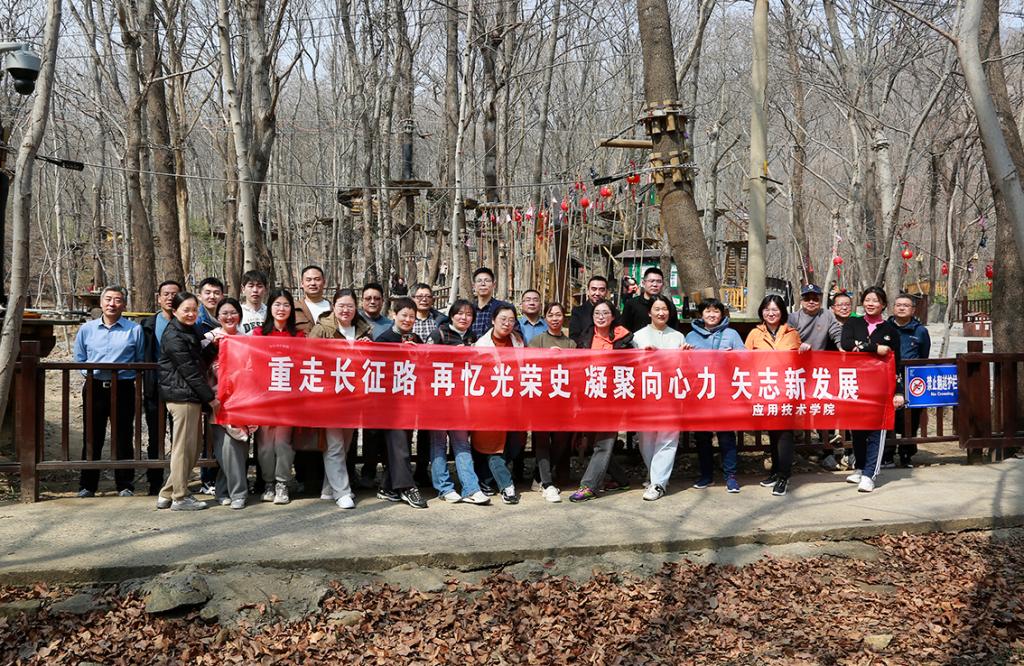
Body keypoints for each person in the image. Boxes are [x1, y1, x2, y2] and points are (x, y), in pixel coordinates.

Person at [74, 286, 146, 498]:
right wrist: (91, 374)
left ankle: (124, 484)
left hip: (123, 387)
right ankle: (87, 485)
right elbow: (79, 359)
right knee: (92, 435)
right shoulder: (87, 329)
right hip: (95, 386)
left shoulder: (134, 330)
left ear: (124, 304)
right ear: (101, 302)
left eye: (117, 300)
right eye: (108, 299)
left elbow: (140, 359)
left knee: (123, 436)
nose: (112, 304)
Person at [308, 289, 372, 509]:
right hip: (330, 395)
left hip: (354, 395)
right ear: (333, 306)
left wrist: (368, 349)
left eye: (350, 306)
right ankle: (342, 491)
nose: (346, 310)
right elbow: (308, 357)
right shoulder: (321, 329)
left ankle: (329, 488)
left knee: (344, 444)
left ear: (356, 308)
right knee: (334, 444)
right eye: (341, 305)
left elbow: (371, 364)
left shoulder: (363, 329)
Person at [156, 292, 219, 511]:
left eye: (194, 310)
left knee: (191, 448)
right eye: (186, 310)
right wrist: (211, 398)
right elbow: (190, 371)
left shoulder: (188, 330)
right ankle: (180, 497)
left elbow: (198, 360)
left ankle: (167, 493)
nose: (191, 314)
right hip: (181, 397)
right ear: (174, 311)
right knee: (184, 449)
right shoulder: (174, 335)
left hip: (188, 396)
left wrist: (214, 346)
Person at [841, 286, 904, 493]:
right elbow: (846, 344)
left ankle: (870, 474)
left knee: (877, 432)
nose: (871, 304)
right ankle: (860, 468)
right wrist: (875, 348)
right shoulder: (853, 323)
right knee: (857, 431)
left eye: (875, 300)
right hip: (855, 385)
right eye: (867, 300)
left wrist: (899, 391)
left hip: (880, 389)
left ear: (883, 304)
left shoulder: (890, 330)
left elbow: (897, 363)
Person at [427, 299, 490, 505]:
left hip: (462, 401)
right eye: (460, 313)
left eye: (469, 314)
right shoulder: (439, 334)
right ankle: (444, 487)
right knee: (438, 443)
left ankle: (471, 488)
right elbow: (424, 362)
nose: (464, 317)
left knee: (462, 443)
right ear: (452, 315)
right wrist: (452, 356)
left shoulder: (474, 338)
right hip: (438, 399)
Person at [570, 300, 633, 502]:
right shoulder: (585, 338)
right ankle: (621, 479)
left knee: (603, 443)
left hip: (613, 399)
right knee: (589, 443)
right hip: (589, 396)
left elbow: (632, 366)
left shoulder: (624, 339)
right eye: (597, 313)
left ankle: (589, 486)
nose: (601, 316)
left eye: (605, 313)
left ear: (613, 316)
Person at [685, 298, 746, 494]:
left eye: (716, 311)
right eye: (707, 311)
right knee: (702, 436)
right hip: (700, 392)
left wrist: (734, 356)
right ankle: (706, 475)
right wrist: (684, 355)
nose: (712, 315)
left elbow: (746, 358)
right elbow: (684, 364)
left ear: (722, 314)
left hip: (724, 391)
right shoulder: (691, 336)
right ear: (701, 314)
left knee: (726, 436)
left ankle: (731, 476)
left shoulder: (732, 334)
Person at [372, 298, 429, 508]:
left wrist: (417, 353)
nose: (408, 320)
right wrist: (398, 352)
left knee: (401, 444)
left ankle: (386, 487)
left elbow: (424, 368)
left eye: (412, 316)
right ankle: (407, 487)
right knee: (399, 445)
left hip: (410, 402)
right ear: (393, 315)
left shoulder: (416, 339)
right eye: (404, 315)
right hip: (389, 405)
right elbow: (376, 371)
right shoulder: (383, 339)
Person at [632, 296, 688, 501]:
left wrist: (685, 356)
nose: (661, 313)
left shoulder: (678, 337)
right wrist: (644, 356)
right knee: (646, 439)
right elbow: (631, 366)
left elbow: (684, 368)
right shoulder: (638, 336)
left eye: (664, 309)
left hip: (671, 394)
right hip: (646, 395)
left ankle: (658, 483)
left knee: (668, 438)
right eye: (657, 309)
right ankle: (655, 474)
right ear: (649, 312)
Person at [745, 295, 802, 497]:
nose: (771, 313)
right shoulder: (754, 334)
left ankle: (784, 476)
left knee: (785, 433)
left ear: (782, 312)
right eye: (767, 309)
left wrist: (805, 350)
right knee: (773, 432)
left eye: (775, 309)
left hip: (786, 390)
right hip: (765, 389)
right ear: (761, 312)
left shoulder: (792, 334)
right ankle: (776, 471)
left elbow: (801, 361)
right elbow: (744, 359)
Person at [253, 289, 306, 505]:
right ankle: (268, 482)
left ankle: (282, 482)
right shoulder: (259, 334)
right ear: (270, 308)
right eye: (277, 304)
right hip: (264, 398)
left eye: (285, 305)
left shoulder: (299, 336)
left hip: (288, 399)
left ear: (291, 309)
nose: (281, 309)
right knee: (265, 445)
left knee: (283, 443)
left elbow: (303, 365)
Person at [473, 304, 524, 504]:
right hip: (490, 405)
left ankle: (486, 480)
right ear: (493, 320)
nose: (507, 323)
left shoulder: (518, 340)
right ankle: (507, 486)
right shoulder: (481, 344)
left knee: (514, 445)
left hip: (513, 403)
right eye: (503, 319)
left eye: (511, 320)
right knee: (492, 447)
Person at [791, 284, 844, 470]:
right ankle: (797, 447)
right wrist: (798, 345)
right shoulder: (793, 317)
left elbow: (836, 331)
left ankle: (826, 448)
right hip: (796, 370)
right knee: (796, 409)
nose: (811, 302)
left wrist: (842, 346)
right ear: (801, 300)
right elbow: (788, 336)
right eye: (807, 298)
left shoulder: (827, 315)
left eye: (815, 298)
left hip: (819, 370)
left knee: (822, 408)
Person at [204, 298, 251, 509]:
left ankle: (223, 491)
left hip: (242, 401)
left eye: (233, 312)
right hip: (217, 401)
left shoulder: (247, 340)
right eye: (224, 313)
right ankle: (239, 493)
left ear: (240, 315)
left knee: (238, 448)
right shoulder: (209, 339)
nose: (229, 317)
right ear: (217, 316)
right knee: (225, 448)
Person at [527, 302, 576, 503]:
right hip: (541, 398)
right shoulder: (537, 340)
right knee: (541, 441)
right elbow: (528, 366)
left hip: (562, 399)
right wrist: (546, 356)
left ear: (564, 317)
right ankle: (547, 484)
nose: (555, 318)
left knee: (560, 442)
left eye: (558, 314)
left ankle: (539, 476)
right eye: (550, 314)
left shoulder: (571, 344)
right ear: (545, 318)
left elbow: (575, 370)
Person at [140, 279, 182, 496]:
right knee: (155, 436)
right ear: (158, 298)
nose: (170, 298)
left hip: (180, 388)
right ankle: (154, 482)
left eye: (174, 294)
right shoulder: (147, 324)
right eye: (166, 294)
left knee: (179, 437)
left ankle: (178, 481)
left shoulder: (187, 322)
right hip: (154, 387)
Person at [886, 293, 931, 468]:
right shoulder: (885, 327)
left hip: (912, 379)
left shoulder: (920, 331)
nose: (901, 308)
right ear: (893, 308)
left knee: (911, 417)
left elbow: (924, 355)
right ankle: (887, 454)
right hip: (888, 377)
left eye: (906, 305)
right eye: (898, 305)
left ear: (913, 310)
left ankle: (906, 453)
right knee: (888, 415)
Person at [194, 277, 225, 492]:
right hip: (204, 383)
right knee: (206, 433)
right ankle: (207, 478)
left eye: (216, 292)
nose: (212, 296)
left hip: (225, 383)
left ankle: (220, 477)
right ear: (200, 295)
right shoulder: (196, 320)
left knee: (220, 431)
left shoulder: (226, 316)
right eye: (207, 292)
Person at [621, 267, 680, 332]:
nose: (655, 285)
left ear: (663, 284)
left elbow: (674, 330)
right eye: (651, 281)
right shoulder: (632, 304)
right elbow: (624, 329)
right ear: (643, 283)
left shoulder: (669, 306)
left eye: (659, 281)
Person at [470, 266, 516, 337]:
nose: (483, 284)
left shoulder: (505, 308)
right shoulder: (469, 310)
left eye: (487, 281)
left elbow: (516, 334)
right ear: (474, 286)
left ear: (494, 285)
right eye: (479, 281)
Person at [569, 275, 611, 339]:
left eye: (601, 290)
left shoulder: (613, 312)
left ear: (607, 292)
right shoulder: (578, 312)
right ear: (588, 291)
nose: (597, 293)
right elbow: (573, 337)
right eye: (594, 289)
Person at [293, 265, 332, 333]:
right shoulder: (294, 308)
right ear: (302, 283)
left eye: (317, 279)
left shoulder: (334, 309)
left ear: (324, 282)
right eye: (308, 280)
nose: (313, 283)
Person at [239, 270, 268, 335]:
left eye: (259, 286)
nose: (255, 290)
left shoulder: (271, 313)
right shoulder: (237, 313)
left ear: (265, 289)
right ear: (243, 289)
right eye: (251, 286)